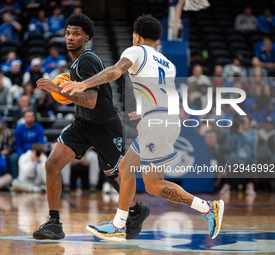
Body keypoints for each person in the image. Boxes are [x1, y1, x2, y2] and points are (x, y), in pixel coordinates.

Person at [61, 14, 224, 243]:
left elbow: (116, 71)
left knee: (141, 177)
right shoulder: (167, 63)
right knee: (144, 179)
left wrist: (83, 83)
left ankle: (120, 225)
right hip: (165, 119)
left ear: (136, 36)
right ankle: (206, 208)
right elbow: (167, 94)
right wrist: (146, 111)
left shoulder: (135, 51)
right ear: (157, 39)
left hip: (157, 123)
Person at [33, 14, 147, 241]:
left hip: (105, 126)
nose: (70, 37)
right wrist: (65, 95)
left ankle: (135, 210)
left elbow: (91, 100)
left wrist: (58, 90)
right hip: (84, 123)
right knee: (52, 164)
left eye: (76, 34)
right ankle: (54, 222)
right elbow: (84, 104)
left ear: (87, 37)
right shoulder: (76, 62)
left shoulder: (87, 59)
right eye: (67, 33)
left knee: (115, 176)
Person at [10, 110, 45, 178]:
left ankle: (43, 180)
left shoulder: (39, 128)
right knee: (13, 158)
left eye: (31, 116)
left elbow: (40, 144)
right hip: (22, 151)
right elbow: (17, 144)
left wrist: (35, 153)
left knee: (44, 159)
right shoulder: (19, 129)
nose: (30, 118)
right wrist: (22, 154)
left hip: (35, 151)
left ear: (34, 118)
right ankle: (15, 179)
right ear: (24, 118)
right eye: (28, 116)